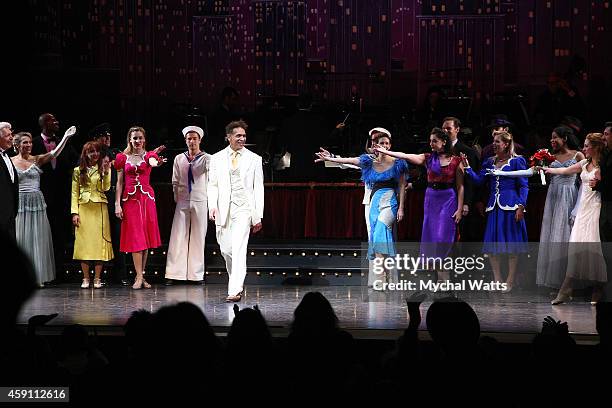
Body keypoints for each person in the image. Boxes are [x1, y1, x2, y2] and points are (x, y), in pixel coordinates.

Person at [374, 127, 464, 283]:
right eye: (430, 141)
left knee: (443, 238)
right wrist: (387, 152)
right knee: (432, 237)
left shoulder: (456, 160)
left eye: (434, 141)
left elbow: (460, 187)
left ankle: (445, 279)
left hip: (448, 199)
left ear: (443, 142)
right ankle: (441, 280)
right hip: (431, 199)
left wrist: (460, 208)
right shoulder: (428, 158)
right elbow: (405, 156)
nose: (431, 144)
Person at [316, 130, 407, 283]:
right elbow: (348, 162)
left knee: (383, 236)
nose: (378, 144)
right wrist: (331, 157)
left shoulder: (395, 161)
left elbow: (402, 181)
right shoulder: (369, 160)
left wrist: (401, 203)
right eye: (376, 141)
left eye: (384, 142)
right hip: (371, 202)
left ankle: (389, 276)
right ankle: (378, 277)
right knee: (374, 239)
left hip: (389, 202)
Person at [461, 131, 529, 293]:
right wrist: (468, 168)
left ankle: (510, 280)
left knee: (512, 246)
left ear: (506, 144)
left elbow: (524, 185)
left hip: (511, 207)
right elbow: (479, 181)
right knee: (493, 246)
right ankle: (497, 279)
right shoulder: (489, 162)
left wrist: (521, 206)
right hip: (494, 208)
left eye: (498, 141)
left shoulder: (517, 161)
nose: (494, 144)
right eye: (494, 141)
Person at [546, 133, 607, 305]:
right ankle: (566, 289)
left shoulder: (602, 165)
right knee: (575, 249)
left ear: (596, 147)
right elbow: (565, 170)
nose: (584, 148)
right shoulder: (584, 163)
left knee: (594, 249)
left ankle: (598, 287)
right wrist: (547, 169)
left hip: (596, 209)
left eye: (587, 146)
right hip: (582, 210)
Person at [11, 128, 75, 287]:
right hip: (20, 202)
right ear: (17, 145)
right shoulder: (10, 161)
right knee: (21, 239)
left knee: (36, 238)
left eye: (30, 142)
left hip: (36, 203)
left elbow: (54, 153)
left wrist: (65, 138)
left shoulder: (36, 159)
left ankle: (37, 276)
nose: (28, 145)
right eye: (25, 142)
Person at [208, 120, 264, 302]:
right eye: (238, 135)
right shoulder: (216, 158)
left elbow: (258, 189)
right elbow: (213, 184)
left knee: (239, 248)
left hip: (244, 209)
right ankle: (235, 280)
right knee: (226, 249)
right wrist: (212, 206)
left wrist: (258, 216)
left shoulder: (254, 159)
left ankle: (235, 289)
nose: (242, 138)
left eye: (244, 136)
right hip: (224, 208)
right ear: (228, 137)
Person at [114, 126, 166, 290]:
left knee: (145, 239)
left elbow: (153, 162)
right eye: (134, 138)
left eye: (140, 138)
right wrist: (117, 204)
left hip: (146, 199)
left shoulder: (149, 155)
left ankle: (140, 275)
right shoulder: (122, 158)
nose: (137, 141)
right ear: (130, 139)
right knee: (136, 238)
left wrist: (155, 160)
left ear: (144, 139)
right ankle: (139, 277)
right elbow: (119, 182)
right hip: (130, 201)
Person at [31, 113, 79, 282]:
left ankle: (58, 272)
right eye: (53, 120)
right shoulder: (34, 143)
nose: (57, 122)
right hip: (41, 198)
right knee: (44, 235)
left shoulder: (63, 141)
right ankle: (44, 272)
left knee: (61, 236)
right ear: (43, 123)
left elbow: (76, 163)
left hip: (62, 196)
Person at [164, 126, 211, 285]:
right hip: (183, 200)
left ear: (200, 140)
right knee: (178, 236)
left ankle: (196, 275)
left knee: (198, 237)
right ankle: (174, 273)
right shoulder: (179, 158)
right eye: (189, 139)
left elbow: (212, 180)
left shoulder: (206, 158)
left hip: (200, 199)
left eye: (194, 138)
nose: (192, 141)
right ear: (185, 140)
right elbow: (175, 180)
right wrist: (177, 197)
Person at [90, 123, 129, 286]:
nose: (107, 139)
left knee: (118, 236)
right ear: (95, 139)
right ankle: (98, 276)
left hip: (114, 195)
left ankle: (120, 274)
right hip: (97, 197)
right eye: (103, 136)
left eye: (109, 136)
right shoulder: (92, 154)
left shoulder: (115, 153)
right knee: (98, 237)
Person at [71, 142, 114, 289]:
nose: (94, 154)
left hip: (99, 209)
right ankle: (85, 278)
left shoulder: (102, 167)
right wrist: (74, 212)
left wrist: (107, 171)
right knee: (84, 244)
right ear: (85, 154)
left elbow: (106, 187)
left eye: (97, 151)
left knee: (98, 244)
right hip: (83, 208)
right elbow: (74, 193)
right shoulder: (78, 170)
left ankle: (97, 278)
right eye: (91, 152)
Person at [441, 117, 482, 242]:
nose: (445, 131)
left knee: (460, 234)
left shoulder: (468, 151)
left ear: (457, 129)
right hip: (442, 198)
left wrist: (466, 203)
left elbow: (470, 180)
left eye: (449, 128)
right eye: (443, 129)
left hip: (459, 199)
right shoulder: (438, 150)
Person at [591, 123, 612, 300]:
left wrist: (598, 184)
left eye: (606, 134)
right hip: (605, 204)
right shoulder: (606, 155)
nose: (604, 137)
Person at [0, 122, 18, 239]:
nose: (11, 137)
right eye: (7, 135)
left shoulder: (6, 156)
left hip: (10, 213)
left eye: (11, 134)